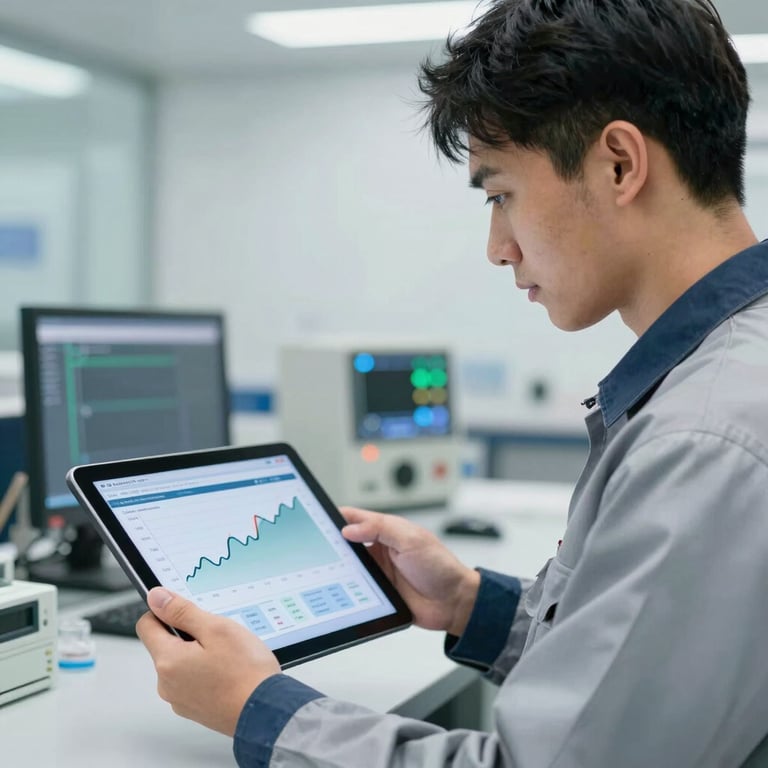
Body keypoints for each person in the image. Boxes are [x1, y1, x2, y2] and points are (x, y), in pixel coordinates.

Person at [137, 0, 768, 765]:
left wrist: (259, 709)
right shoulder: (728, 379)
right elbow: (642, 685)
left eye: (500, 195)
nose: (497, 247)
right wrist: (473, 604)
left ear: (619, 165)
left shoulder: (705, 438)